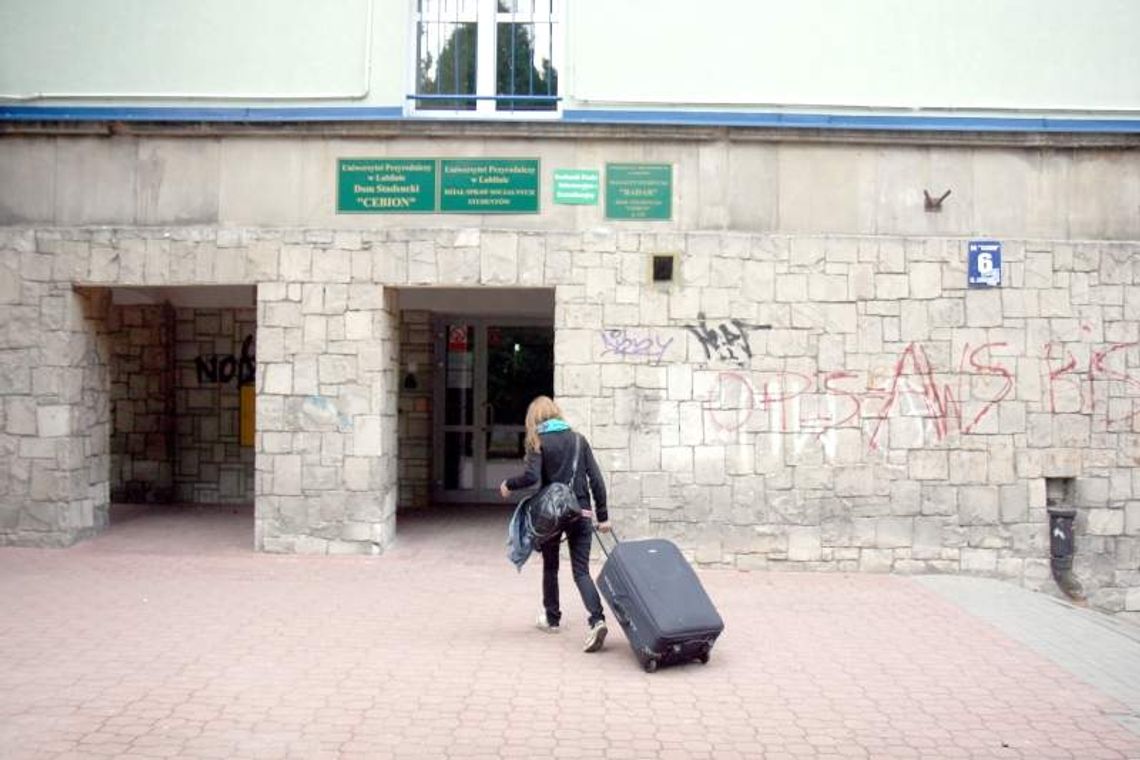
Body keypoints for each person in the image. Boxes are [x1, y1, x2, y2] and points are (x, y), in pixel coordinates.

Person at [500, 395, 611, 653]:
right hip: (581, 512)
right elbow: (596, 479)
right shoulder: (578, 440)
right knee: (581, 571)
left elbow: (530, 478)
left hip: (552, 516)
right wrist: (602, 516)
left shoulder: (537, 441)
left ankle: (552, 618)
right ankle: (597, 620)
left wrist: (508, 484)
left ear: (534, 419)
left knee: (551, 566)